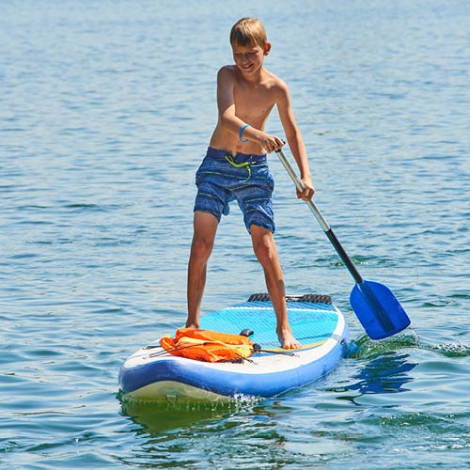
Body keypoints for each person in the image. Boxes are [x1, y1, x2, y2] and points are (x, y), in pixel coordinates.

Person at [186, 17, 314, 349]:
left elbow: (292, 132)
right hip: (217, 165)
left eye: (251, 53)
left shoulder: (277, 88)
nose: (244, 60)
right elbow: (227, 117)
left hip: (254, 171)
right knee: (201, 244)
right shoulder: (226, 75)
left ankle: (284, 328)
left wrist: (305, 176)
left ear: (266, 49)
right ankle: (192, 323)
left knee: (265, 247)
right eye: (238, 53)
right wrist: (258, 134)